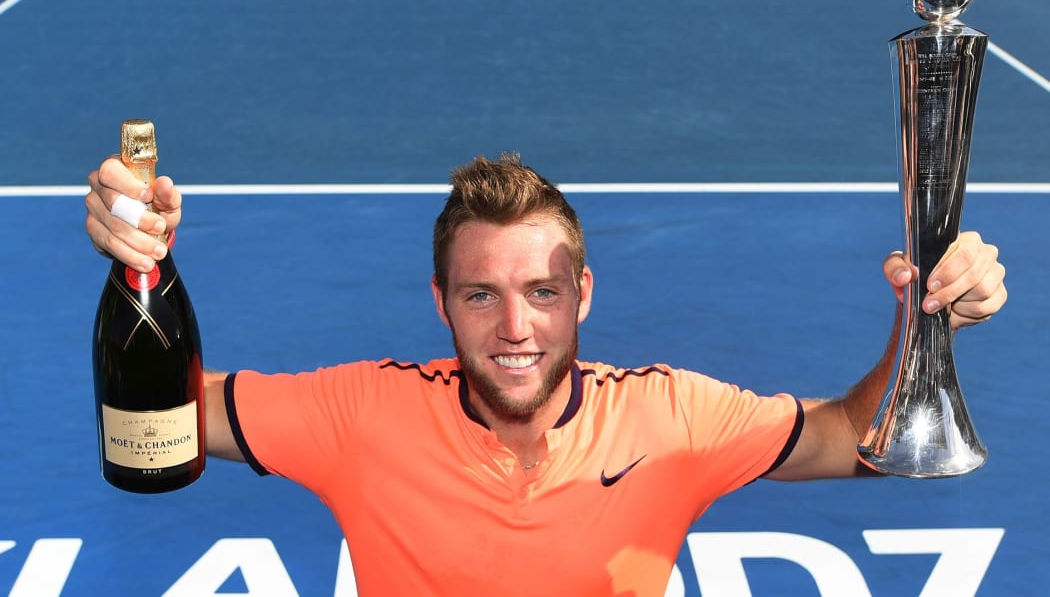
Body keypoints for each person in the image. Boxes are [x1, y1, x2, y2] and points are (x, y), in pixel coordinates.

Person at [85, 152, 1007, 596]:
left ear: (584, 295)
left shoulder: (669, 417)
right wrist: (144, 264)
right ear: (441, 303)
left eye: (542, 291)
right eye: (481, 295)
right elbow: (157, 411)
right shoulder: (361, 414)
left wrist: (925, 321)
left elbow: (858, 438)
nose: (516, 328)